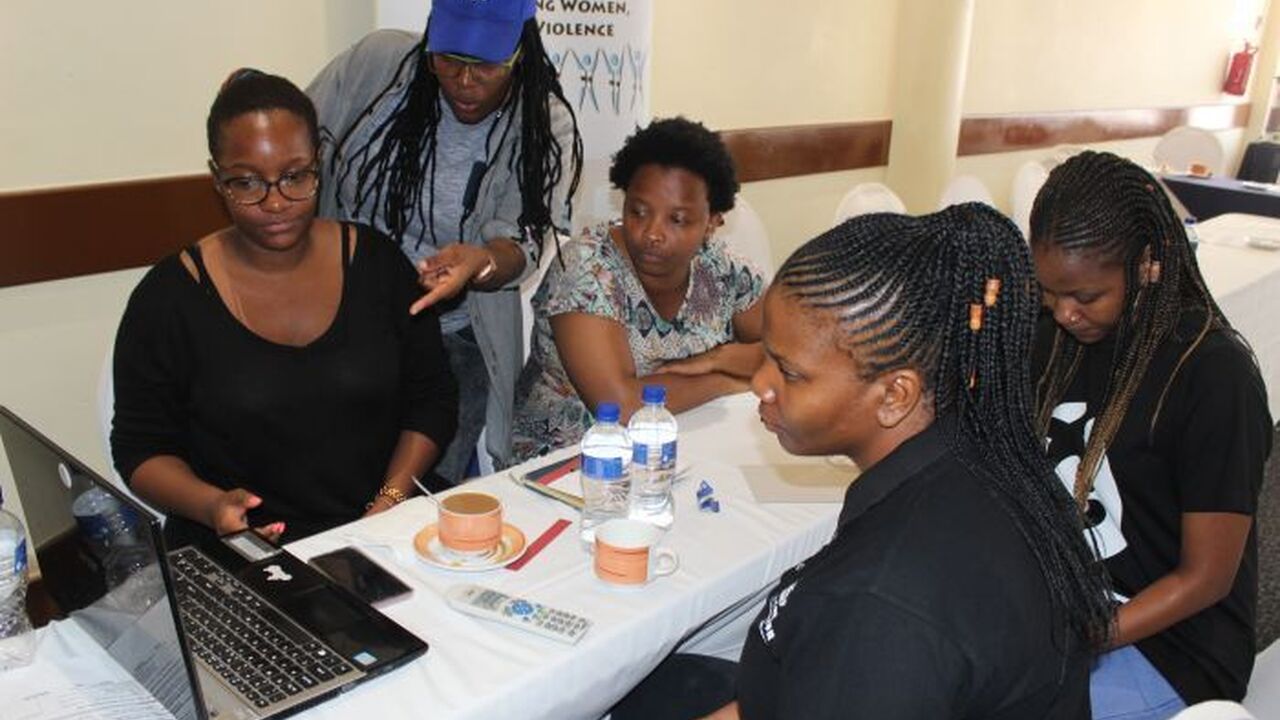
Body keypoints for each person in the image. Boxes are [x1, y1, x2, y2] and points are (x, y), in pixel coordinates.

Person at [615, 205, 1114, 720]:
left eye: (789, 372)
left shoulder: (880, 607)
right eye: (763, 355)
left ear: (895, 396)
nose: (760, 384)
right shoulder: (990, 457)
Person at [110, 70, 457, 549]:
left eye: (295, 176)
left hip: (387, 531)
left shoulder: (378, 265)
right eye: (247, 182)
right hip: (242, 550)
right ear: (216, 179)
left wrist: (390, 501)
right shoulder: (169, 298)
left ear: (319, 166)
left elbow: (432, 399)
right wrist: (212, 506)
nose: (275, 202)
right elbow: (140, 448)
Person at [1030, 151, 1272, 718]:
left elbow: (1207, 578)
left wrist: (1086, 635)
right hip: (1075, 603)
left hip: (1174, 643)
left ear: (1148, 264)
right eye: (1049, 294)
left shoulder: (1212, 375)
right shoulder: (1055, 340)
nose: (1064, 313)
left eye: (1086, 297)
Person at [308, 0, 583, 480]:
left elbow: (521, 242)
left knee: (417, 498)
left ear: (522, 50)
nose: (464, 80)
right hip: (336, 316)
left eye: (488, 64)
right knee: (325, 476)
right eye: (449, 58)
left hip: (451, 339)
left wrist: (479, 263)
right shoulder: (378, 66)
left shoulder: (543, 123)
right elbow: (298, 140)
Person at [508, 117, 764, 463]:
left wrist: (717, 358)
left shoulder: (724, 269)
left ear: (713, 221)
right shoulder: (586, 268)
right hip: (570, 467)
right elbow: (620, 404)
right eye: (638, 211)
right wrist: (726, 379)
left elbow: (791, 354)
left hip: (686, 449)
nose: (651, 233)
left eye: (677, 219)